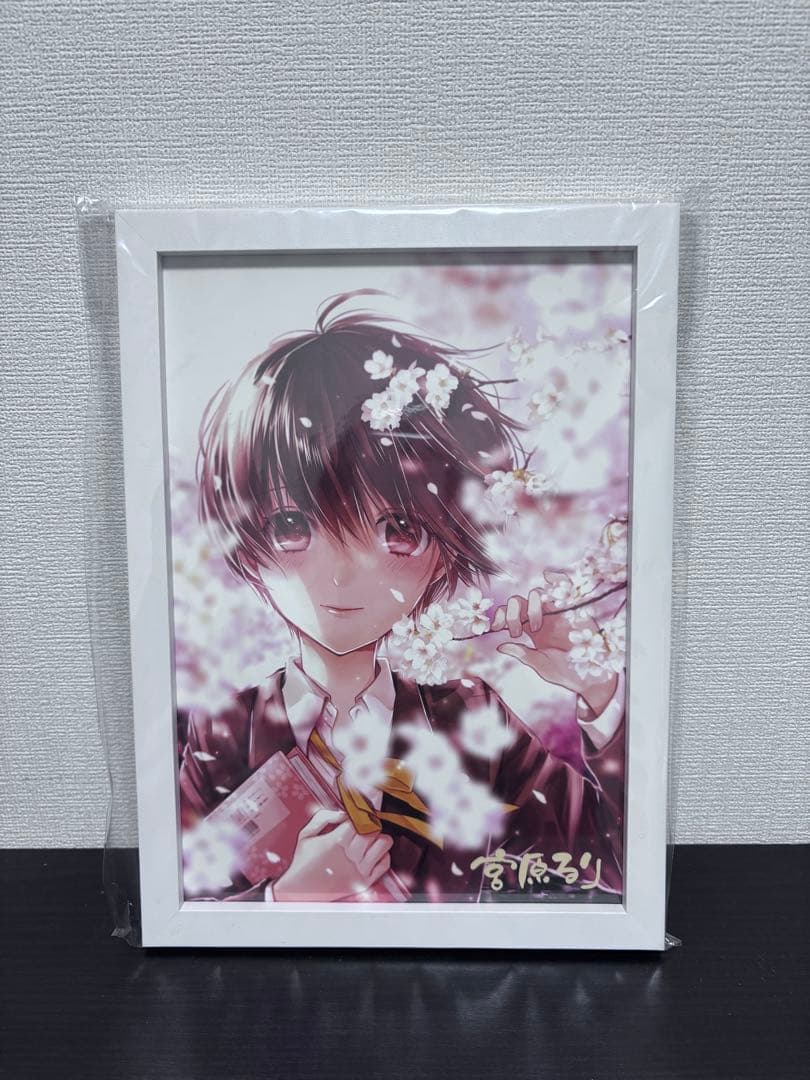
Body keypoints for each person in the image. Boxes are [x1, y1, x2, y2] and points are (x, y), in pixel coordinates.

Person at [179, 293, 625, 903]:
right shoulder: (225, 731)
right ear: (247, 538)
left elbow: (611, 864)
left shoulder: (469, 719)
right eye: (292, 525)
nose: (342, 576)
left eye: (399, 530)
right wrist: (286, 898)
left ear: (447, 547)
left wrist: (598, 689)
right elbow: (181, 902)